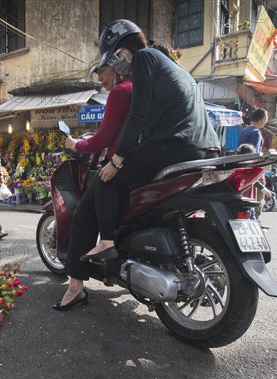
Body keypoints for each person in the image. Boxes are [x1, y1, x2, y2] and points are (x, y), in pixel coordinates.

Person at [55, 19, 221, 310]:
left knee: (106, 179)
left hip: (175, 146)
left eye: (115, 59)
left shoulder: (143, 58)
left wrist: (117, 161)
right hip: (205, 146)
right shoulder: (171, 64)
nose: (118, 64)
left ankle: (102, 249)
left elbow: (138, 118)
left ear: (121, 52)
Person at [53, 49, 133, 310]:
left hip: (121, 164)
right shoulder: (147, 89)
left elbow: (104, 139)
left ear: (118, 68)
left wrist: (77, 144)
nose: (100, 78)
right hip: (151, 161)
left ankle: (75, 286)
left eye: (102, 71)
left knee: (83, 217)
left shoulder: (121, 92)